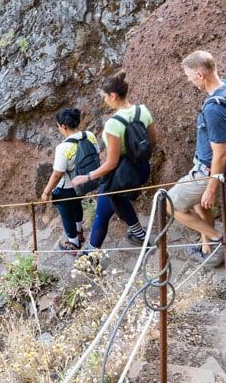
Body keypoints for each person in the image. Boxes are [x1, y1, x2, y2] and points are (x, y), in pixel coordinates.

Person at [166, 50, 226, 266]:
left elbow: (221, 153)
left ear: (200, 74)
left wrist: (211, 188)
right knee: (199, 204)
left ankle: (218, 240)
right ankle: (209, 249)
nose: (188, 80)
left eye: (189, 75)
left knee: (170, 204)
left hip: (207, 171)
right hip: (211, 166)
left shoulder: (214, 109)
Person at [72, 72, 156, 249]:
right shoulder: (143, 110)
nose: (104, 101)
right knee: (120, 200)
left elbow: (111, 163)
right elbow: (152, 142)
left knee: (101, 215)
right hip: (141, 169)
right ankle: (138, 233)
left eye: (104, 97)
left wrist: (87, 177)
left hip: (120, 176)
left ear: (113, 95)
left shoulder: (113, 124)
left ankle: (91, 257)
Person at [40, 108, 99, 252]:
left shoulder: (63, 148)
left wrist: (46, 192)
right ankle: (79, 232)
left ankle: (73, 244)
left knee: (66, 214)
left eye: (58, 125)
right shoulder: (89, 135)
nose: (58, 128)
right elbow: (96, 154)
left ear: (64, 126)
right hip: (83, 183)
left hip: (66, 187)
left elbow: (57, 174)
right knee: (77, 204)